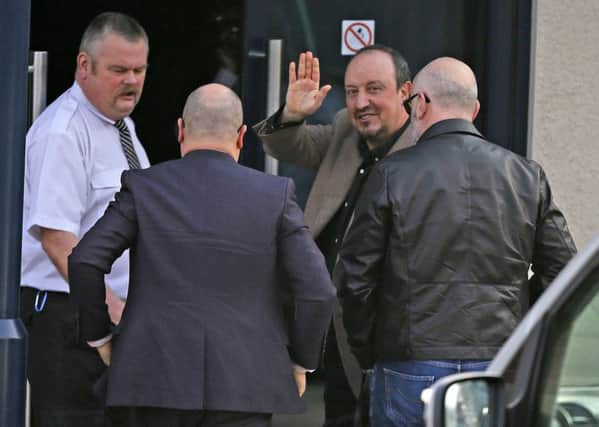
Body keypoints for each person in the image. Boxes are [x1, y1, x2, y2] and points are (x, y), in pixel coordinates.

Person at [67, 83, 336, 427]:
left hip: (153, 380)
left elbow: (85, 260)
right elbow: (318, 291)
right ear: (241, 136)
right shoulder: (275, 195)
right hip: (245, 385)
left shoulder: (143, 187)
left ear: (180, 129)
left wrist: (99, 336)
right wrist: (301, 362)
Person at [335, 56, 577, 427]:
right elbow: (564, 272)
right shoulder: (526, 175)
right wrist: (522, 330)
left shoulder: (391, 174)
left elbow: (355, 280)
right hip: (500, 361)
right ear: (474, 109)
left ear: (421, 103)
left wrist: (370, 352)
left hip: (409, 361)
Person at [253, 44, 413, 426]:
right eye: (354, 91)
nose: (361, 103)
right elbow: (289, 145)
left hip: (381, 329)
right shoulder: (344, 127)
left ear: (405, 92)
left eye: (374, 89)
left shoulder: (424, 150)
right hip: (327, 320)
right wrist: (292, 115)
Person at [19, 12, 150, 426]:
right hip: (72, 319)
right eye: (118, 70)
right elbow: (59, 243)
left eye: (139, 69)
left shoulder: (120, 126)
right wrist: (113, 314)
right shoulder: (63, 132)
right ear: (84, 66)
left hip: (109, 317)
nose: (131, 81)